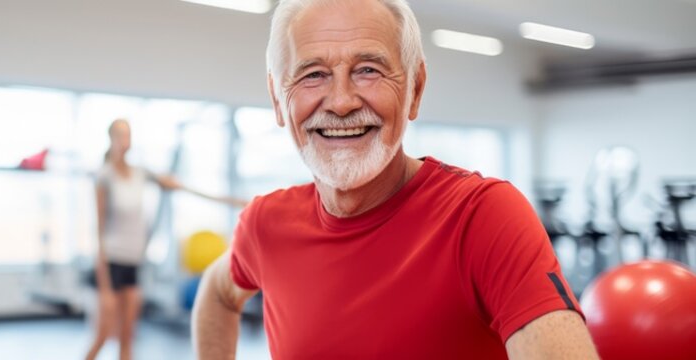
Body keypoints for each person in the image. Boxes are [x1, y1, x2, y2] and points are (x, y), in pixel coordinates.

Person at [191, 0, 601, 359]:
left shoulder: (481, 216)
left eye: (368, 70)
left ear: (416, 90)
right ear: (278, 99)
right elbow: (218, 292)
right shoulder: (266, 224)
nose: (341, 102)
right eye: (313, 74)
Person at [85, 119, 243, 360]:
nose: (124, 141)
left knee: (128, 336)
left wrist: (230, 201)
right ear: (111, 139)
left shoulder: (140, 173)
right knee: (104, 335)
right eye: (120, 135)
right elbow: (98, 232)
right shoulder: (104, 177)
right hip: (112, 262)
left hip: (134, 262)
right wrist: (104, 285)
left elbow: (171, 183)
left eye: (128, 135)